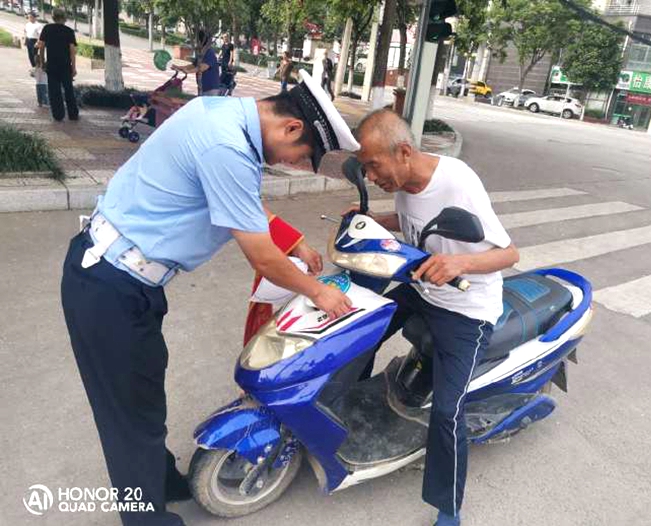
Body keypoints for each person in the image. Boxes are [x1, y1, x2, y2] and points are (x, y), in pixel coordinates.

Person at [61, 69, 360, 526]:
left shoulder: (219, 113)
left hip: (123, 281)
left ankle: (158, 481)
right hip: (110, 284)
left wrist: (294, 241)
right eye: (300, 157)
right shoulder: (228, 147)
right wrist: (320, 293)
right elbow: (261, 256)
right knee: (127, 413)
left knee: (141, 399)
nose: (294, 164)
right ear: (292, 127)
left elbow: (240, 200)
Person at [352, 109, 520, 526]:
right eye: (366, 168)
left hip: (465, 310)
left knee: (448, 411)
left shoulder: (457, 183)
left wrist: (459, 265)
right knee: (356, 331)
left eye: (373, 165)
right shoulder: (404, 179)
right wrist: (375, 221)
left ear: (404, 151)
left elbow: (509, 253)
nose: (371, 176)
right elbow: (414, 220)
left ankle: (449, 507)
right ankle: (348, 408)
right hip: (422, 287)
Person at [36, 9, 79, 122]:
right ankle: (73, 114)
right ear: (64, 18)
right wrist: (74, 68)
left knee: (54, 91)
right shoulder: (69, 31)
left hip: (52, 64)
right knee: (69, 89)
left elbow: (41, 46)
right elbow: (72, 51)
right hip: (65, 65)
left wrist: (42, 62)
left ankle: (58, 115)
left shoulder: (47, 28)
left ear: (53, 17)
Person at [172, 30, 219, 96]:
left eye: (196, 40)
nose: (195, 42)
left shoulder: (209, 53)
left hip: (210, 88)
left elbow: (202, 68)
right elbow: (193, 65)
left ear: (201, 41)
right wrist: (178, 67)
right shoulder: (201, 53)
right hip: (203, 87)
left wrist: (188, 71)